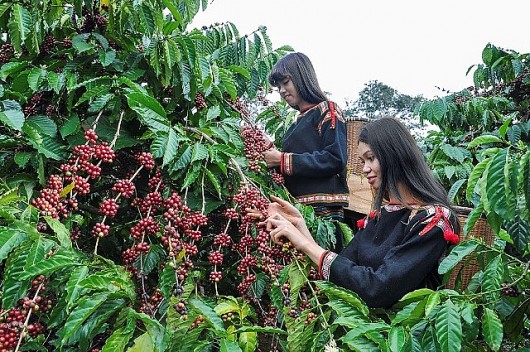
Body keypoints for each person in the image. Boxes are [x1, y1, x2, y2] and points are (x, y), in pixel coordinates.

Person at [262, 117, 461, 308]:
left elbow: (377, 288)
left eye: (371, 158)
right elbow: (345, 272)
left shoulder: (433, 220)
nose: (365, 168)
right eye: (362, 160)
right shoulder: (380, 216)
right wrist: (300, 227)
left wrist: (304, 242)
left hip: (404, 336)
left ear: (395, 155)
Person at [264, 52, 349, 251]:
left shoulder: (327, 110)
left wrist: (282, 160)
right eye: (278, 87)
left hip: (324, 214)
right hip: (297, 211)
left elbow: (336, 158)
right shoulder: (295, 125)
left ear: (302, 77)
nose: (282, 90)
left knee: (322, 270)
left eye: (286, 82)